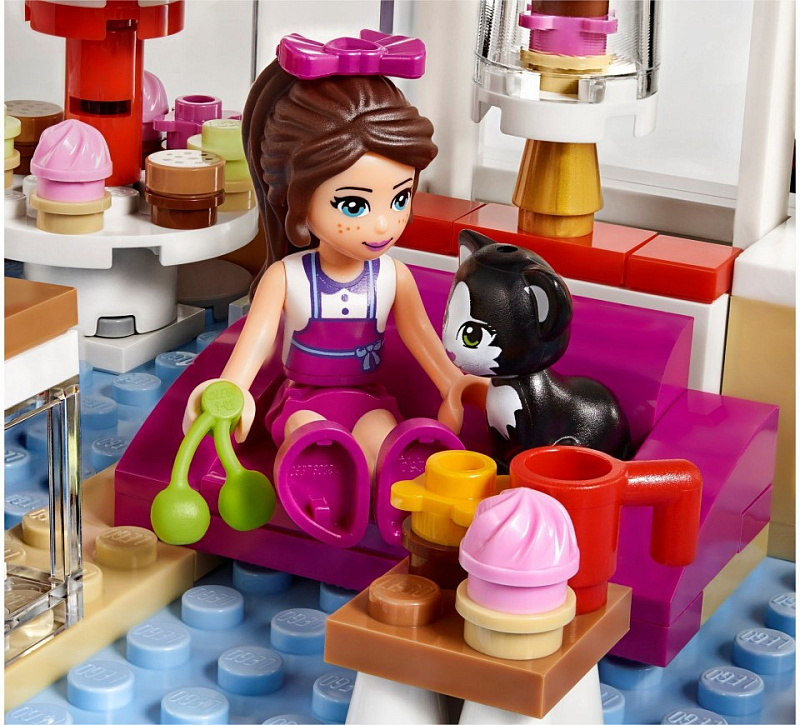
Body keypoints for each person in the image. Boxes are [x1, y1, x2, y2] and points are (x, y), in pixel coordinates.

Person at [184, 32, 465, 548]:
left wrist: (455, 386)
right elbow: (252, 349)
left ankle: (395, 504)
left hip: (368, 398)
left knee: (382, 441)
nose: (382, 224)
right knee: (311, 437)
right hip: (302, 402)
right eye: (354, 205)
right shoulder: (287, 278)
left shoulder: (392, 278)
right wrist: (231, 392)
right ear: (296, 200)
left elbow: (426, 343)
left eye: (399, 199)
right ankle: (324, 499)